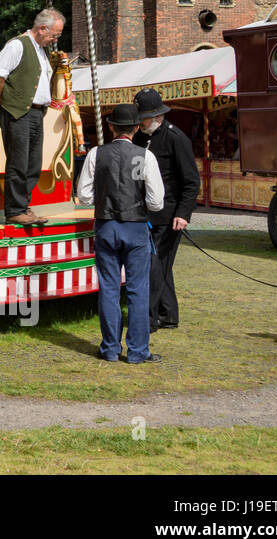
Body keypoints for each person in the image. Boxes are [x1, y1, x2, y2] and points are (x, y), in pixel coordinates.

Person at [76, 103, 165, 363]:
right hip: (135, 226)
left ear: (111, 127)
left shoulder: (95, 154)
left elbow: (83, 195)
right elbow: (157, 201)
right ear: (137, 127)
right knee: (137, 290)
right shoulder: (145, 156)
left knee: (109, 288)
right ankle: (137, 351)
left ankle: (110, 349)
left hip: (105, 225)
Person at [0, 7, 65, 225]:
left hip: (35, 112)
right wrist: (2, 100)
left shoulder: (39, 49)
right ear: (42, 28)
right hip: (18, 111)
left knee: (33, 163)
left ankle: (22, 206)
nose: (54, 39)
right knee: (18, 161)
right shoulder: (17, 45)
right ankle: (14, 210)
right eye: (54, 34)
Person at [132, 88, 200, 331]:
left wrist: (183, 213)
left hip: (170, 215)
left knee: (155, 265)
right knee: (161, 265)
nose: (140, 122)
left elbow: (191, 181)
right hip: (146, 213)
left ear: (157, 116)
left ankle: (149, 319)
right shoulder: (140, 138)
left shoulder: (176, 138)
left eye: (144, 118)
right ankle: (168, 314)